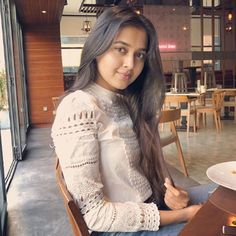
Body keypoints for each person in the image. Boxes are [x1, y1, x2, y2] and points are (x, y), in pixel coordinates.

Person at [52, 6, 216, 236]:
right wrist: (184, 215)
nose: (131, 63)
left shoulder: (126, 101)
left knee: (225, 192)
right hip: (121, 228)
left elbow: (138, 175)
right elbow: (94, 215)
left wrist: (173, 194)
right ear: (98, 49)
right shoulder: (78, 108)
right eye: (121, 49)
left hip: (153, 206)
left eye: (139, 54)